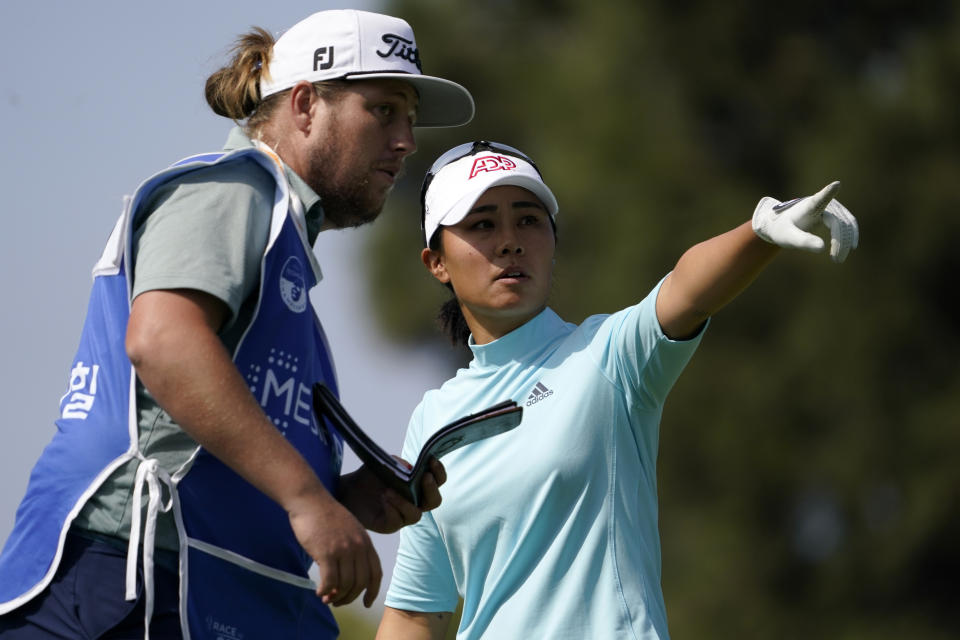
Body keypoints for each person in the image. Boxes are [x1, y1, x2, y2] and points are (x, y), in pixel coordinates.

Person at [0, 9, 473, 640]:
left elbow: (202, 434)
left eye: (409, 119)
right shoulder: (236, 190)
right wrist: (307, 500)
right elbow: (163, 342)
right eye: (383, 110)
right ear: (305, 105)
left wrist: (340, 496)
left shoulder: (280, 238)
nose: (407, 140)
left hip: (183, 586)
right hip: (126, 585)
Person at [376, 141, 859, 639]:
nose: (510, 241)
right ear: (436, 262)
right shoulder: (433, 418)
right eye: (482, 224)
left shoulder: (606, 356)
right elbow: (416, 613)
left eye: (528, 220)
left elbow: (686, 291)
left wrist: (760, 232)